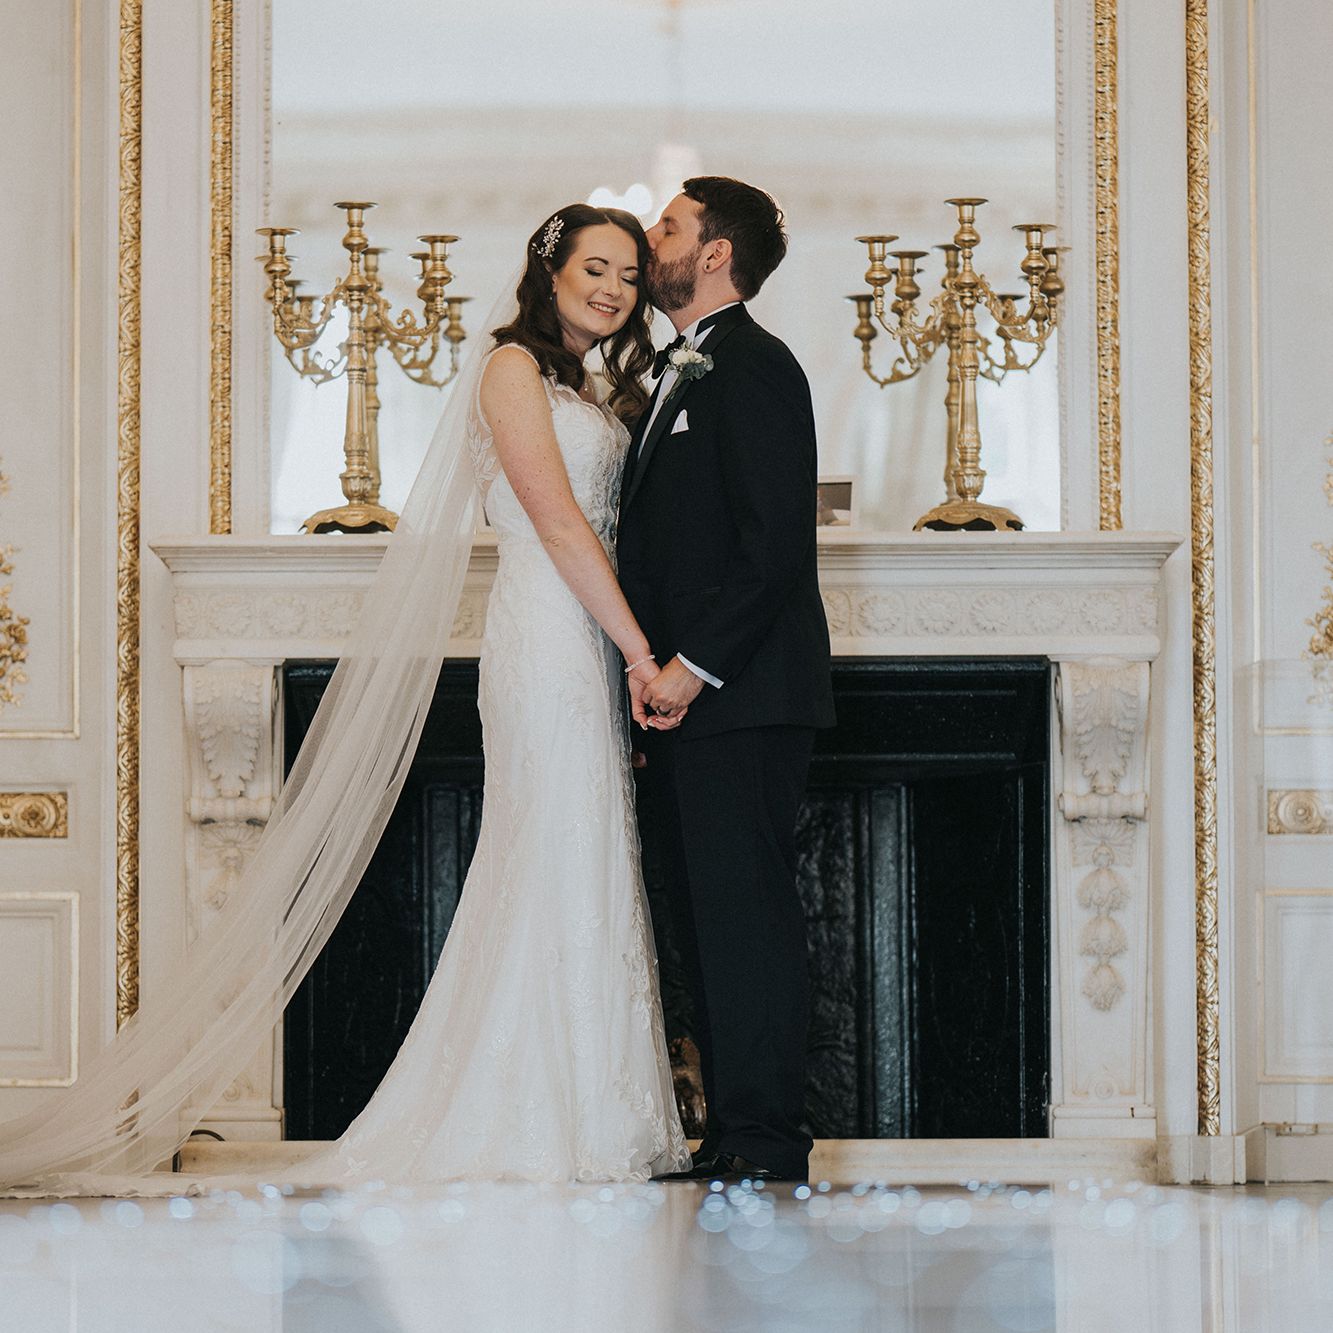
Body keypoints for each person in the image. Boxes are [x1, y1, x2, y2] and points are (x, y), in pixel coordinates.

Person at [0, 206, 690, 1194]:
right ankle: (536, 1120)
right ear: (550, 270)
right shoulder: (510, 370)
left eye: (627, 272)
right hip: (549, 635)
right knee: (552, 851)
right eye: (596, 267)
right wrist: (638, 652)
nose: (615, 288)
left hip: (588, 631)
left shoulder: (594, 383)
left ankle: (594, 1108)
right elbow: (558, 524)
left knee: (580, 856)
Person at [618, 177, 836, 1184]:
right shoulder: (675, 369)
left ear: (713, 252)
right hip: (687, 705)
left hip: (740, 700)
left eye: (664, 223)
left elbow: (775, 548)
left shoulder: (752, 364)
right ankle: (731, 1134)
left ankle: (765, 1139)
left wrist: (688, 672)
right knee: (709, 919)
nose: (644, 236)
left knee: (745, 917)